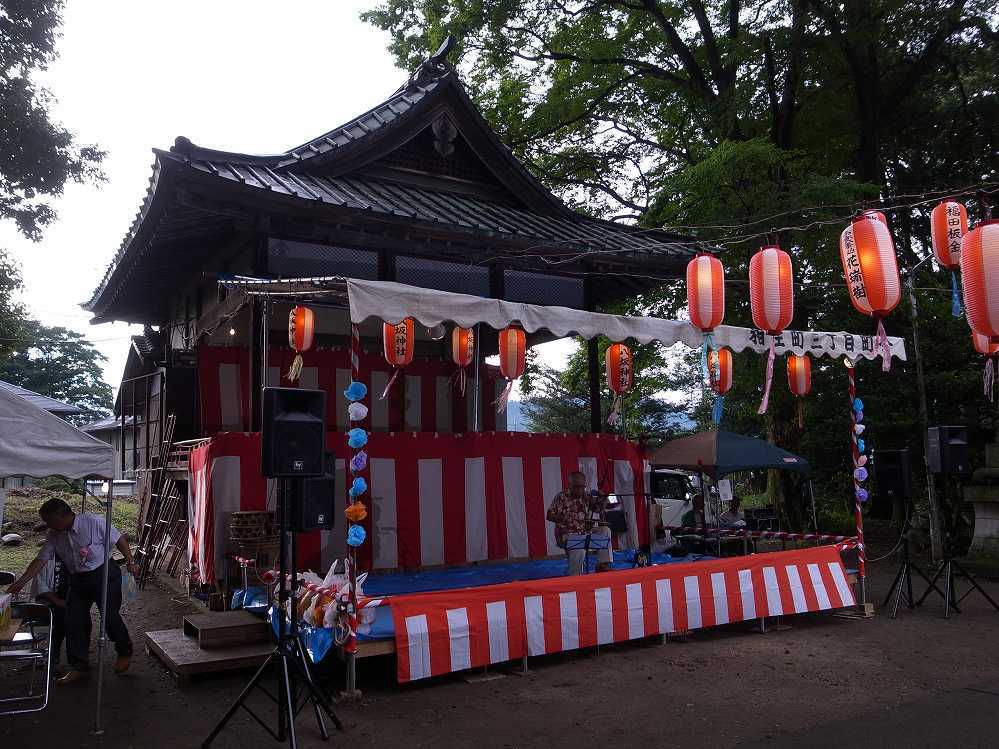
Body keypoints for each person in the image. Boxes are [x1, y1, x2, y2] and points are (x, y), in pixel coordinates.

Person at [7, 497, 138, 684]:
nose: (49, 525)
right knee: (73, 620)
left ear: (64, 515)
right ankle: (79, 667)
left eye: (51, 520)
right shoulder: (53, 534)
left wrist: (131, 562)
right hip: (77, 579)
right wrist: (21, 582)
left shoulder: (94, 522)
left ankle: (124, 650)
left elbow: (120, 540)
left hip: (104, 574)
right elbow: (41, 560)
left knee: (109, 616)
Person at [546, 471, 613, 575]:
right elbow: (549, 515)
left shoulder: (586, 496)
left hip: (584, 531)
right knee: (580, 550)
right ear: (569, 485)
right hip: (568, 534)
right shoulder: (561, 497)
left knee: (605, 530)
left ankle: (603, 565)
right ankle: (574, 577)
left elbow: (598, 509)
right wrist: (563, 518)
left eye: (582, 487)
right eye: (576, 487)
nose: (580, 490)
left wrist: (603, 498)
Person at [31, 557, 70, 666]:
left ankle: (79, 660)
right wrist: (56, 600)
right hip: (47, 605)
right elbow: (40, 585)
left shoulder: (75, 556)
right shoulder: (46, 558)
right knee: (60, 617)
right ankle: (53, 656)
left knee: (80, 616)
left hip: (70, 603)